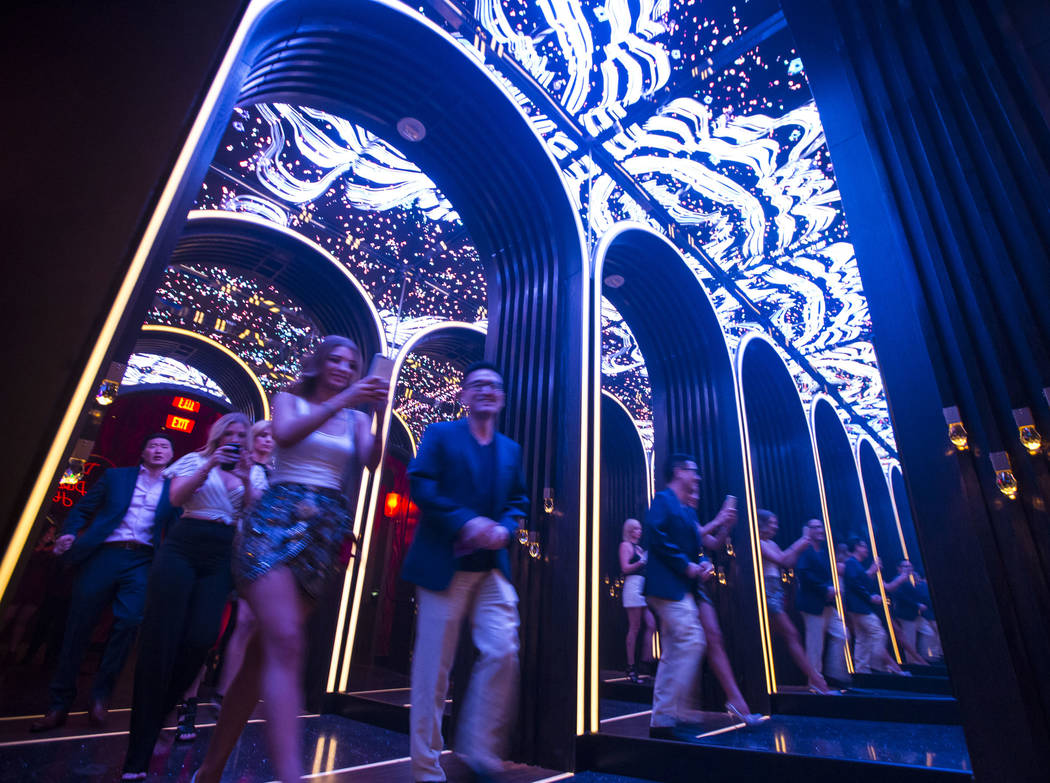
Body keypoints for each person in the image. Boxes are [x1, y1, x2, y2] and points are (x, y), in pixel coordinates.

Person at [194, 336, 387, 783]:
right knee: (286, 641)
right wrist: (346, 398)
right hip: (274, 522)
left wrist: (375, 411)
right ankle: (290, 775)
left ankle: (209, 770)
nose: (342, 367)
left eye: (351, 363)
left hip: (324, 532)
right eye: (334, 360)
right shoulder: (287, 400)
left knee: (264, 654)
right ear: (318, 364)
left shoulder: (357, 416)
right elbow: (284, 435)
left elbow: (370, 460)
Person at [399, 360, 528, 783]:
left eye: (495, 385)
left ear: (503, 397)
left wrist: (505, 529)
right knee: (434, 669)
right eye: (478, 385)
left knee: (504, 649)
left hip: (491, 568)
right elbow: (422, 484)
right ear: (464, 396)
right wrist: (465, 522)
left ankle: (477, 746)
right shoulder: (440, 434)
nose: (487, 390)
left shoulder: (511, 449)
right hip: (443, 564)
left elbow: (518, 503)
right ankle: (425, 767)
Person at [121, 413, 266, 779]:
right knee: (159, 643)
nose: (235, 439)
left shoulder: (256, 471)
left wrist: (247, 477)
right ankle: (136, 757)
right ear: (218, 435)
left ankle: (164, 712)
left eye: (241, 434)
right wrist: (209, 467)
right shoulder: (195, 460)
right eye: (229, 433)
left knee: (202, 638)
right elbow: (176, 498)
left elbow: (255, 512)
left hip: (220, 552)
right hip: (184, 545)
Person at [30, 434, 178, 732]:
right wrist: (69, 533)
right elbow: (82, 509)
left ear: (172, 456)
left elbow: (175, 529)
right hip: (104, 554)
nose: (158, 450)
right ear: (143, 451)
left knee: (129, 621)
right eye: (153, 445)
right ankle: (59, 703)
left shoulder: (175, 489)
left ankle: (101, 696)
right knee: (78, 626)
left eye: (165, 447)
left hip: (142, 560)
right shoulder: (116, 477)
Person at [175, 419, 279, 744]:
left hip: (256, 554)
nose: (267, 441)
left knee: (246, 623)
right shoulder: (224, 463)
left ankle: (223, 694)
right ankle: (187, 698)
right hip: (221, 547)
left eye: (272, 437)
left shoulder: (274, 473)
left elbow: (266, 512)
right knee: (205, 626)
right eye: (261, 434)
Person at [644, 453, 714, 738]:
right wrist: (686, 565)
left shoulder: (688, 510)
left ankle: (662, 722)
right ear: (678, 472)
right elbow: (655, 534)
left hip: (680, 589)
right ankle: (677, 714)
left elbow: (697, 547)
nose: (697, 477)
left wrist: (704, 561)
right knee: (692, 640)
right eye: (693, 471)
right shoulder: (663, 500)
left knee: (673, 651)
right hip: (666, 586)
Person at [684, 487, 762, 726]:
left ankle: (737, 703)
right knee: (687, 645)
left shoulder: (691, 517)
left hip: (696, 585)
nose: (697, 493)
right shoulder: (677, 514)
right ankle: (680, 706)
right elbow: (689, 537)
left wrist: (726, 526)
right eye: (692, 491)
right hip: (677, 586)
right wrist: (718, 518)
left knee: (714, 638)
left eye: (699, 491)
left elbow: (712, 543)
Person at [757, 511, 831, 693]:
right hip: (766, 590)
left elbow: (787, 562)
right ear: (762, 524)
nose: (776, 526)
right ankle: (817, 681)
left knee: (776, 638)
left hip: (776, 589)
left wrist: (803, 545)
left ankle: (815, 681)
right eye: (773, 523)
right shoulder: (756, 542)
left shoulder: (772, 543)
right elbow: (782, 559)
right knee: (791, 634)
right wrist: (803, 540)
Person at [795, 519, 849, 684]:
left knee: (842, 633)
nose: (820, 529)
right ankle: (815, 683)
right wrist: (825, 589)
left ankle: (834, 672)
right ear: (808, 530)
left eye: (821, 526)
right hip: (812, 604)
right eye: (816, 527)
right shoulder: (805, 550)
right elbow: (804, 574)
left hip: (827, 603)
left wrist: (832, 588)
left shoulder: (826, 553)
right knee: (815, 646)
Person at [842, 536, 887, 674]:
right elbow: (855, 584)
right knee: (878, 633)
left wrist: (872, 574)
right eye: (864, 546)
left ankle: (862, 671)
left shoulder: (855, 564)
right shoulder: (851, 562)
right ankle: (876, 666)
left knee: (863, 638)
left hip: (857, 607)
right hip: (859, 607)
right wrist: (870, 597)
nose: (866, 549)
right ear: (857, 547)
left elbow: (861, 582)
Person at [619, 518, 655, 683]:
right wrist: (641, 562)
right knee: (634, 627)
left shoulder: (639, 548)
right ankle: (631, 667)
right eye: (636, 529)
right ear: (630, 531)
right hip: (632, 586)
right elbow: (625, 567)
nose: (639, 532)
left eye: (640, 529)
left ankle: (646, 660)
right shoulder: (625, 546)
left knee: (651, 624)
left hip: (643, 588)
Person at [886, 559, 929, 666]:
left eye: (909, 566)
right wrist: (917, 605)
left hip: (914, 614)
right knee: (909, 640)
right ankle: (912, 663)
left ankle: (924, 657)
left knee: (928, 632)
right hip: (905, 615)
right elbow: (901, 597)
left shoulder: (910, 580)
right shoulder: (897, 580)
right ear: (899, 568)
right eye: (905, 566)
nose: (908, 568)